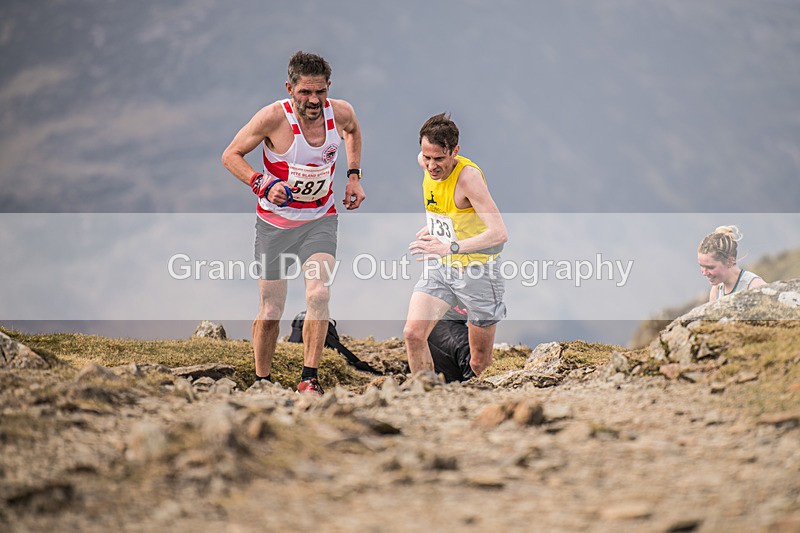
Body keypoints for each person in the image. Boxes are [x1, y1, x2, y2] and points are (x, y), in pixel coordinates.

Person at [221, 51, 365, 395]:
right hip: (275, 224)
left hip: (319, 219)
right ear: (290, 88)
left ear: (328, 87)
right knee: (271, 309)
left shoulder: (340, 112)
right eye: (305, 92)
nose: (314, 100)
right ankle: (262, 381)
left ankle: (309, 378)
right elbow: (230, 155)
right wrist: (262, 183)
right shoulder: (272, 118)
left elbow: (353, 131)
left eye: (320, 92)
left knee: (318, 293)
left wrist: (354, 176)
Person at [403, 113, 508, 378]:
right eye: (427, 157)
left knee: (479, 363)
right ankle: (424, 398)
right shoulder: (424, 163)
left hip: (479, 273)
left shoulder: (468, 179)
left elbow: (499, 233)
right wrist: (439, 225)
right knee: (413, 334)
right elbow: (448, 206)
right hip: (442, 268)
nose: (431, 165)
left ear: (455, 151)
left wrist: (450, 246)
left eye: (439, 158)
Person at [697, 225, 766, 302]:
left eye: (710, 267)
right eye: (701, 266)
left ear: (730, 261)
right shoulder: (716, 291)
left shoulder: (755, 287)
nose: (704, 273)